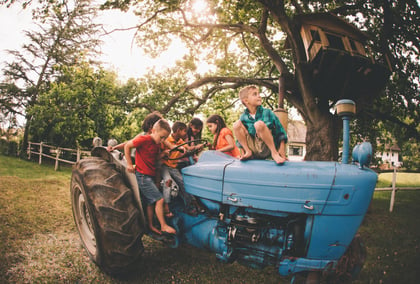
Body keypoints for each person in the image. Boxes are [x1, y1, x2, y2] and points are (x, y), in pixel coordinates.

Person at [124, 119, 176, 235]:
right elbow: (127, 146)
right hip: (142, 176)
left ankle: (151, 225)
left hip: (150, 175)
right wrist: (129, 164)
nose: (162, 140)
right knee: (160, 199)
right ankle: (163, 226)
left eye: (165, 138)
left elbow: (154, 159)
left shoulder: (156, 144)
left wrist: (162, 154)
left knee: (150, 202)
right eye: (161, 137)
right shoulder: (145, 139)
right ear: (153, 131)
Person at [233, 85, 287, 164]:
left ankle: (274, 153)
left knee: (258, 124)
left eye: (259, 93)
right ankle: (248, 152)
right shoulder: (243, 117)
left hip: (267, 147)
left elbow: (280, 131)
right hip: (253, 147)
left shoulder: (267, 112)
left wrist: (281, 149)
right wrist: (243, 152)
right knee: (236, 124)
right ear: (246, 101)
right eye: (255, 94)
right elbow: (240, 138)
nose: (259, 96)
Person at [161, 121, 201, 215]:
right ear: (178, 130)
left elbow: (188, 148)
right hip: (165, 166)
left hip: (174, 167)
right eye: (184, 131)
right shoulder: (167, 139)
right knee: (168, 183)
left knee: (183, 183)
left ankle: (190, 205)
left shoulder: (180, 141)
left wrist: (197, 147)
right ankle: (166, 207)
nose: (186, 134)